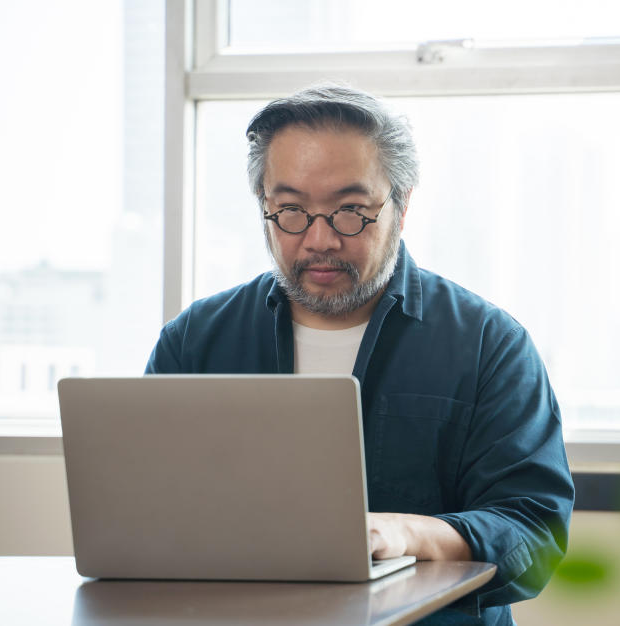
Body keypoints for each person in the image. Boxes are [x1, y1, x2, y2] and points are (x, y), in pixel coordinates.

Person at [145, 83, 574, 625]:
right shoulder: (195, 342)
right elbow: (147, 519)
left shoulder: (489, 344)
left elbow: (535, 532)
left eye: (350, 211)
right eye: (290, 210)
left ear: (402, 202)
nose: (319, 239)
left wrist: (405, 533)